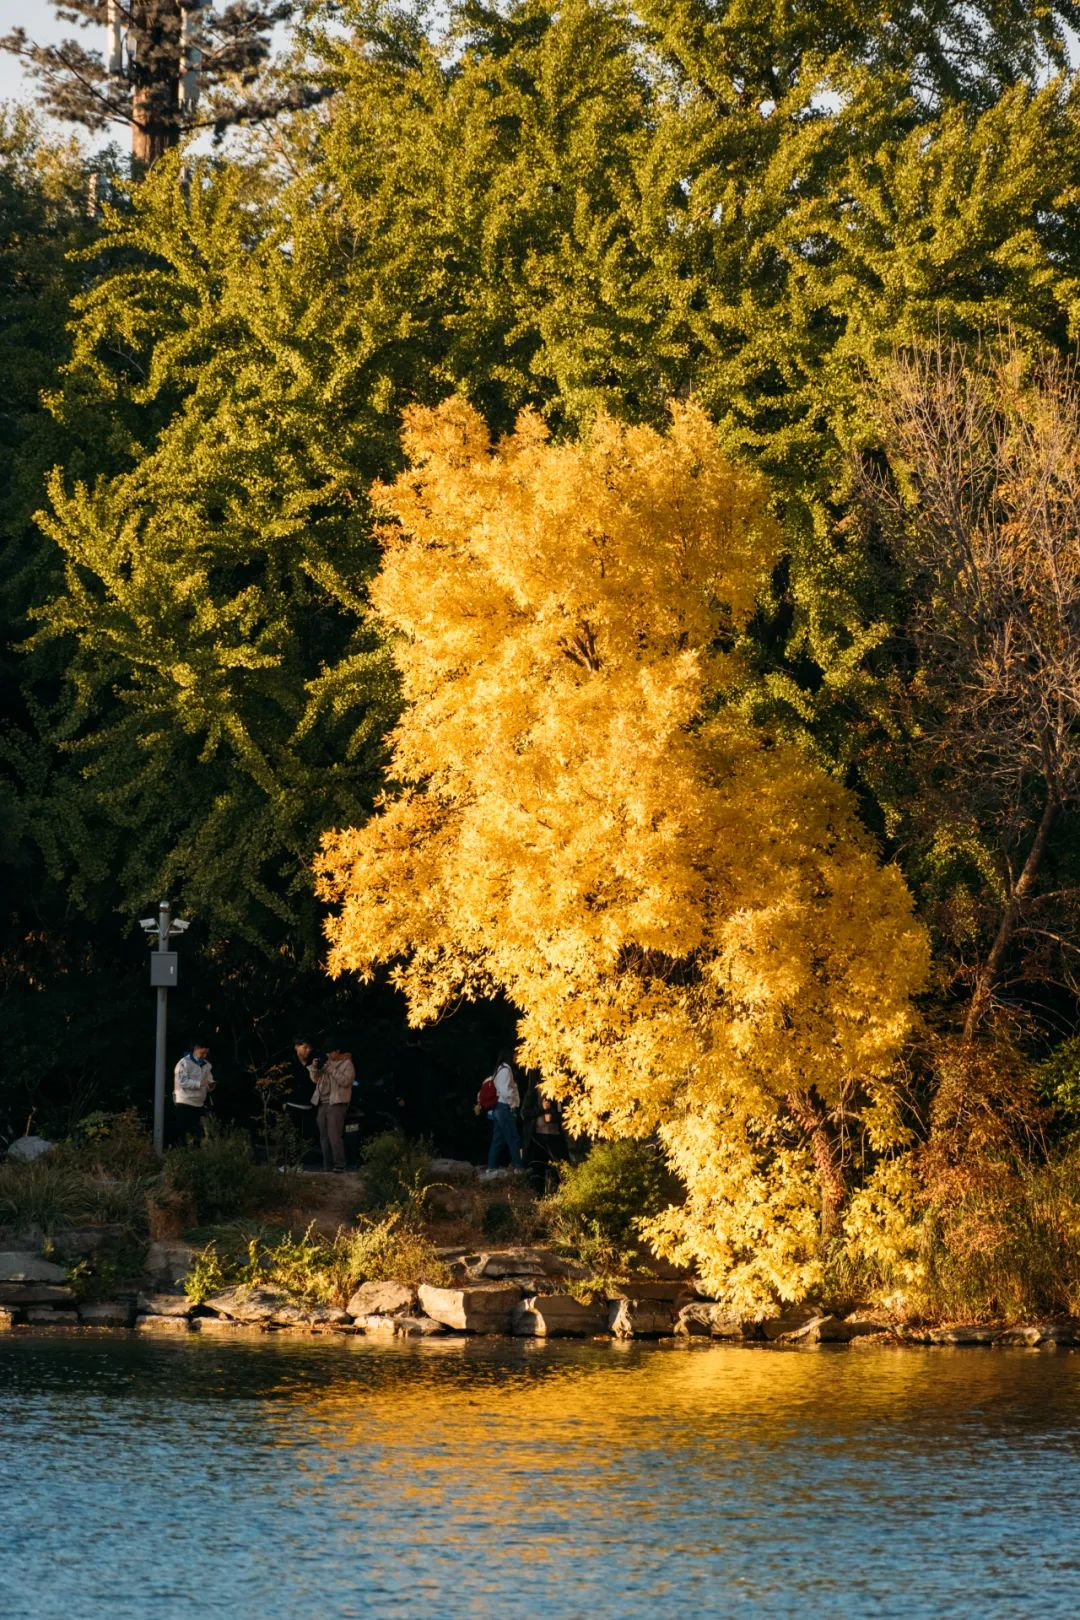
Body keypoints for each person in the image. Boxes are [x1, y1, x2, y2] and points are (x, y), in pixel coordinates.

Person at [306, 1039, 356, 1173]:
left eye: (330, 1052)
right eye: (327, 1053)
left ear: (337, 1051)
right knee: (323, 1136)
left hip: (337, 1103)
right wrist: (314, 1068)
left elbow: (346, 1081)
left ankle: (339, 1164)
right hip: (322, 1102)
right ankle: (327, 1165)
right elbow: (315, 1080)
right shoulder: (325, 1062)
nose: (328, 1055)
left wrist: (331, 1069)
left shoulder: (347, 1063)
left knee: (334, 1135)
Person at [522, 1078, 568, 1194]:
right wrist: (541, 1109)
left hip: (554, 1136)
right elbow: (524, 1113)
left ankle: (561, 1193)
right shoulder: (533, 1093)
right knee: (538, 1168)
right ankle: (539, 1195)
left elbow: (564, 1114)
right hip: (538, 1137)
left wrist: (553, 1117)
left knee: (560, 1167)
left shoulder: (558, 1094)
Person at [483, 1049, 524, 1171]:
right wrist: (512, 1104)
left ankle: (491, 1166)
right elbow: (505, 1091)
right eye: (516, 1055)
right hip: (504, 1107)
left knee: (498, 1139)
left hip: (498, 1108)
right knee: (513, 1138)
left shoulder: (500, 1069)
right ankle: (518, 1166)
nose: (518, 1058)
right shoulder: (506, 1070)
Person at [172, 1039, 215, 1145]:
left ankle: (196, 1152)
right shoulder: (184, 1063)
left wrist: (211, 1085)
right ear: (196, 1049)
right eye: (202, 1053)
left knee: (198, 1133)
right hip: (184, 1101)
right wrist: (199, 1084)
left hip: (199, 1103)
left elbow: (209, 1080)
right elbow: (182, 1082)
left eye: (206, 1053)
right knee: (183, 1132)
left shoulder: (207, 1065)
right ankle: (182, 1151)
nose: (204, 1056)